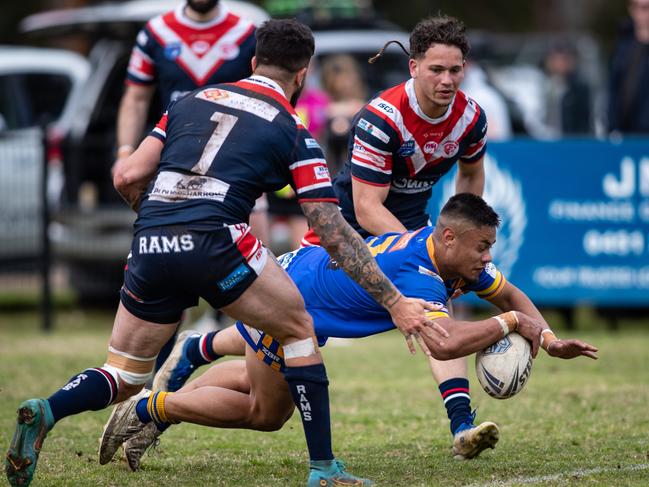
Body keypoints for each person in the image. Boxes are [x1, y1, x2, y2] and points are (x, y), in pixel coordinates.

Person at [4, 20, 440, 487]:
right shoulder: (291, 128)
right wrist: (395, 302)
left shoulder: (188, 102)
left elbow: (127, 176)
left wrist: (159, 220)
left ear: (253, 63)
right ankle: (324, 469)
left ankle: (48, 409)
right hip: (216, 241)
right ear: (303, 74)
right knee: (298, 329)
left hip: (151, 240)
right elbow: (330, 227)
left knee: (124, 375)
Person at [102, 194, 598, 472]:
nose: (488, 257)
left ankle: (190, 361)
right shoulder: (417, 275)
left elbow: (510, 294)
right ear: (448, 238)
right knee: (264, 411)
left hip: (298, 280)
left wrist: (548, 338)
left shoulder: (451, 261)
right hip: (286, 302)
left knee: (258, 375)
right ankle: (151, 407)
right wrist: (512, 325)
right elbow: (448, 342)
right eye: (483, 246)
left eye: (490, 247)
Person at [313, 15, 495, 457]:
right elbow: (367, 208)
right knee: (285, 336)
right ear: (413, 67)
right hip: (344, 234)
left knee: (437, 319)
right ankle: (195, 354)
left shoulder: (470, 118)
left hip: (410, 231)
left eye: (455, 70)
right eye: (436, 69)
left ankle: (462, 428)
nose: (447, 80)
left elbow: (471, 176)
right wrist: (425, 252)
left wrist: (465, 239)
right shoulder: (382, 119)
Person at [115, 0, 265, 357]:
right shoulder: (156, 33)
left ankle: (217, 333)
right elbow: (136, 97)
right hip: (172, 161)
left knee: (234, 251)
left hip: (232, 167)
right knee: (167, 259)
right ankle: (157, 367)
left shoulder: (245, 33)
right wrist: (124, 152)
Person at [608, 0, 649, 135]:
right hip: (625, 131)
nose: (641, 13)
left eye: (646, 7)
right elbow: (613, 88)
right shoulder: (623, 45)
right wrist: (612, 125)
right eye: (636, 7)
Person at [542, 43, 592, 137]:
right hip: (547, 140)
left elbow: (584, 122)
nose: (558, 63)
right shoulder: (543, 86)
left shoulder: (579, 89)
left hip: (570, 142)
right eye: (554, 59)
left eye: (562, 59)